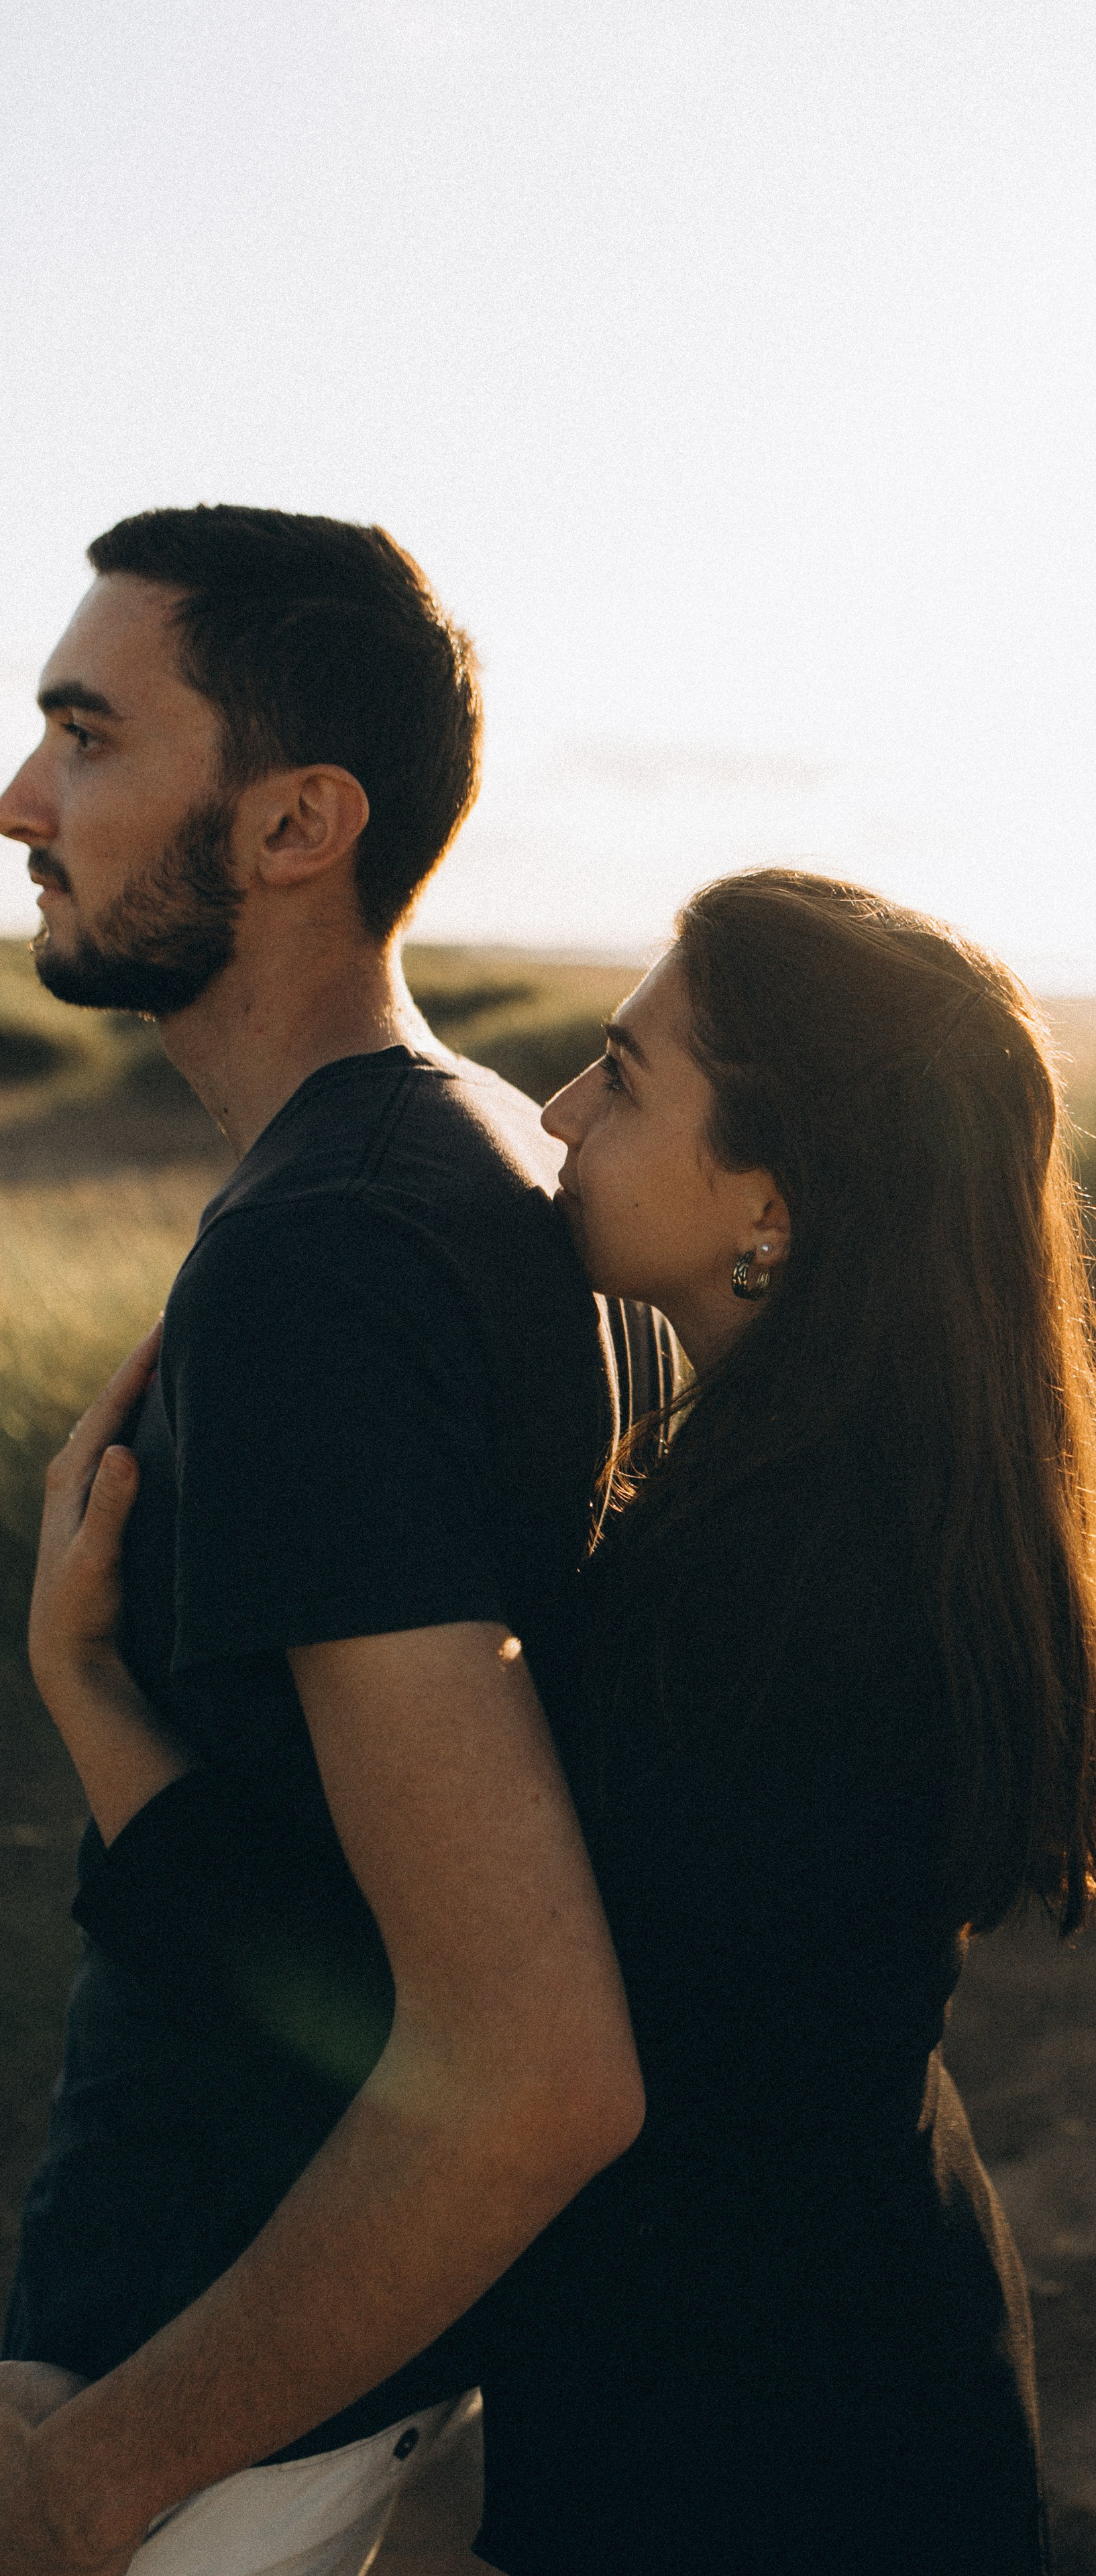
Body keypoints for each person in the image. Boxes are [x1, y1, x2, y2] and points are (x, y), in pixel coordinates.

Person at [54, 869, 1096, 2570]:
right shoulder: (863, 1499)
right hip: (848, 2358)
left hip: (769, 2459)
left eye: (625, 1079)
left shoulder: (779, 1592)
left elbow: (449, 2022)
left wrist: (93, 1695)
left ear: (772, 1197)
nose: (557, 1116)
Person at [0, 507, 666, 2575]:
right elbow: (353, 1924)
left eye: (88, 738)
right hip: (272, 2375)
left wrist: (89, 2479)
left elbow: (532, 2065)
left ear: (298, 822)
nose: (21, 802)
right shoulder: (487, 1153)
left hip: (180, 2411)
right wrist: (86, 1678)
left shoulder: (327, 1251)